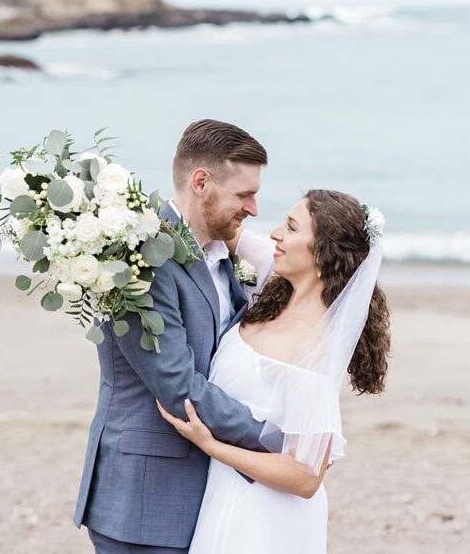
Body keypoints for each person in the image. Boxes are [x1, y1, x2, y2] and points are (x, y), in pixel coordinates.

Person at [75, 119, 273, 553]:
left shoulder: (225, 256)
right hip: (145, 499)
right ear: (201, 182)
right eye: (244, 194)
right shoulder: (140, 256)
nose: (253, 208)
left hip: (207, 491)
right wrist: (272, 437)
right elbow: (177, 386)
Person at [158, 190, 390, 553]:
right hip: (224, 492)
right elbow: (217, 227)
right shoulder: (274, 281)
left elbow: (306, 476)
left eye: (292, 227)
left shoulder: (315, 347)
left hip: (263, 517)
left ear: (323, 252)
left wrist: (211, 445)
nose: (275, 234)